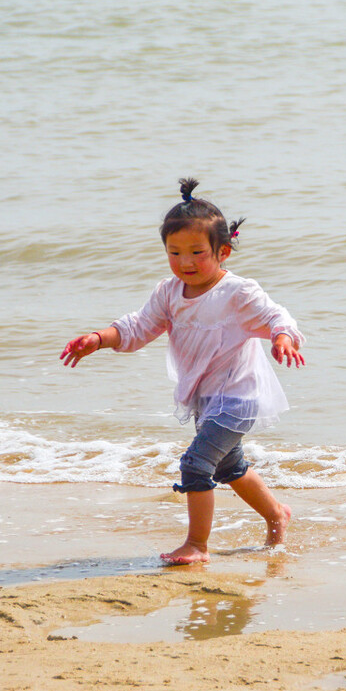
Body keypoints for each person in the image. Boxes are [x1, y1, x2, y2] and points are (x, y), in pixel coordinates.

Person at [61, 178, 305, 563]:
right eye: (174, 253)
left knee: (195, 464)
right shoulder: (169, 293)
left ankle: (197, 545)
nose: (185, 262)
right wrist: (98, 338)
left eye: (196, 252)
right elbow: (137, 327)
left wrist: (282, 338)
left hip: (239, 397)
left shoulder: (237, 293)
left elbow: (276, 316)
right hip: (204, 399)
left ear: (223, 251)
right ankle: (277, 513)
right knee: (230, 467)